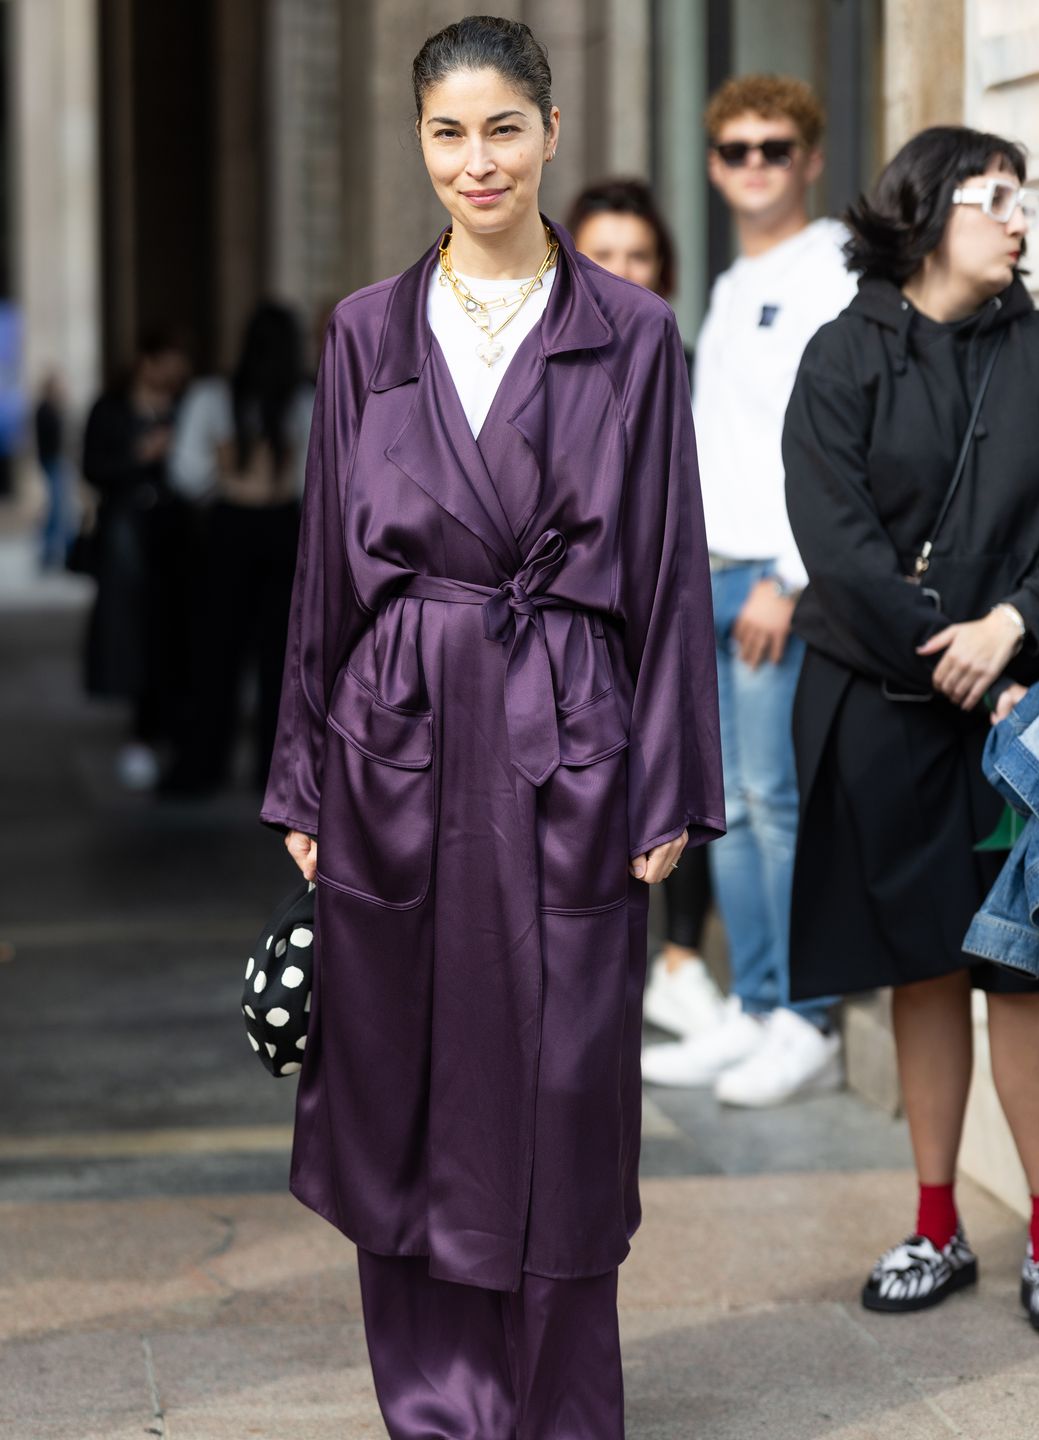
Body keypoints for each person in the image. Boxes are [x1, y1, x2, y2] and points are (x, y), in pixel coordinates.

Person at [261, 16, 725, 1438]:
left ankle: (562, 1407)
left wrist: (667, 785)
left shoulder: (632, 335)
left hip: (566, 735)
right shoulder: (363, 333)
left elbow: (666, 561)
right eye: (450, 134)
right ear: (421, 143)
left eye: (504, 129)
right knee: (397, 1075)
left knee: (568, 1082)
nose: (479, 162)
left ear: (552, 131)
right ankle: (439, 1408)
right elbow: (323, 572)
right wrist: (302, 776)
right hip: (394, 738)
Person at [782, 125, 1039, 1331]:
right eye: (994, 197)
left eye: (1024, 200)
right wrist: (945, 650)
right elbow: (836, 545)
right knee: (923, 967)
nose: (1020, 219)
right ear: (925, 211)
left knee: (1026, 964)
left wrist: (1011, 629)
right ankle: (937, 1224)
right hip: (886, 708)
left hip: (1026, 713)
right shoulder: (841, 356)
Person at [641, 75, 855, 1101]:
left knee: (778, 800)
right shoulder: (729, 284)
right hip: (709, 575)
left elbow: (845, 445)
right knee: (725, 804)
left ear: (810, 159)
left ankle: (807, 1016)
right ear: (716, 164)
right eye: (736, 150)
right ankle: (755, 1003)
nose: (756, 166)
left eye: (776, 148)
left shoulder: (835, 271)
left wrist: (792, 574)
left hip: (778, 582)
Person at [568, 176, 719, 1037]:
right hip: (570, 637)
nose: (622, 273)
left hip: (657, 606)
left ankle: (682, 954)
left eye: (640, 257)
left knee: (677, 781)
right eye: (603, 256)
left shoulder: (672, 357)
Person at [164, 302, 314, 795]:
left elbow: (185, 475)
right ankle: (276, 774)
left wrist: (222, 474)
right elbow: (321, 477)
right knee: (282, 658)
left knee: (215, 654)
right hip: (284, 531)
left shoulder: (213, 397)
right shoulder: (305, 400)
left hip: (228, 530)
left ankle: (203, 763)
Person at [82, 330, 190, 789]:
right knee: (131, 630)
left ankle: (167, 725)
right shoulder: (110, 409)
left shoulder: (183, 407)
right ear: (148, 361)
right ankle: (143, 729)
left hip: (174, 536)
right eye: (169, 360)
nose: (176, 371)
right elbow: (92, 467)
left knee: (172, 630)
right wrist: (141, 455)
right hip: (127, 535)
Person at [35, 372, 75, 569]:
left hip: (56, 461)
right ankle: (49, 552)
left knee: (59, 509)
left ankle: (55, 552)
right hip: (53, 461)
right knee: (57, 509)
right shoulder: (45, 409)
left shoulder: (50, 409)